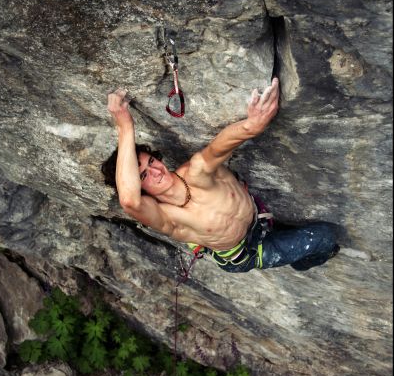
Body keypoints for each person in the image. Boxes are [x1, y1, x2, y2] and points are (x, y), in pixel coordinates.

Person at [105, 79, 339, 272]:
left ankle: (288, 244)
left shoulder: (195, 172)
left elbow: (219, 147)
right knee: (325, 238)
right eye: (144, 175)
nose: (156, 171)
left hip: (260, 219)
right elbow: (129, 201)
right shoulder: (168, 218)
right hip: (245, 254)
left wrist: (252, 125)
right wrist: (125, 127)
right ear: (140, 187)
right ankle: (303, 262)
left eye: (152, 161)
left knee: (306, 238)